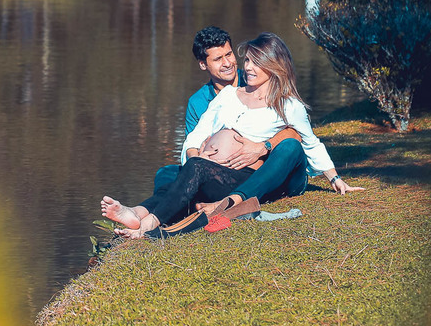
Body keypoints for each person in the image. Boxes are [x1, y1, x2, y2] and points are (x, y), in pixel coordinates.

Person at [102, 32, 362, 237]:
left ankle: (149, 223)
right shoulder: (228, 95)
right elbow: (197, 134)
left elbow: (310, 142)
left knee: (287, 148)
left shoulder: (288, 104)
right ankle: (136, 211)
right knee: (178, 171)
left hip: (256, 175)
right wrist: (199, 155)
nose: (247, 67)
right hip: (219, 172)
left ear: (273, 66)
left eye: (255, 62)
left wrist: (335, 179)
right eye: (247, 60)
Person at [155, 26, 295, 191]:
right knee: (165, 174)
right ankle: (169, 211)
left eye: (229, 54)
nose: (227, 63)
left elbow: (294, 130)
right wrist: (197, 159)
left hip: (258, 167)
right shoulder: (197, 102)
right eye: (218, 59)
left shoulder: (257, 80)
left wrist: (263, 147)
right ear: (202, 64)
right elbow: (192, 144)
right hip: (213, 170)